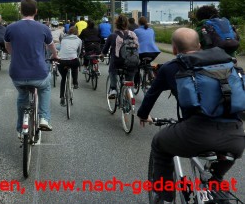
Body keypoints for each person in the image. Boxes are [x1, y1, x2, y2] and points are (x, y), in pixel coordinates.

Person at [137, 28, 244, 204]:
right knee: (216, 176)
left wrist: (143, 115)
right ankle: (215, 181)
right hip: (236, 138)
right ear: (200, 46)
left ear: (174, 49)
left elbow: (151, 95)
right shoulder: (227, 64)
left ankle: (164, 196)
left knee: (159, 143)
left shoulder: (172, 67)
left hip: (196, 133)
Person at [4, 0, 58, 138]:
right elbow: (51, 47)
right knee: (45, 88)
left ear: (20, 11)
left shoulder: (10, 28)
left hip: (17, 74)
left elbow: (8, 47)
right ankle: (44, 118)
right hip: (39, 74)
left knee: (22, 96)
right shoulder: (44, 28)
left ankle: (21, 129)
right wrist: (55, 55)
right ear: (36, 11)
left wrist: (15, 55)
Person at [100, 14, 139, 99]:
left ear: (116, 24)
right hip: (132, 61)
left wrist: (102, 55)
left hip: (118, 62)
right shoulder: (132, 34)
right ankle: (129, 95)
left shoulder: (112, 36)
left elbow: (105, 50)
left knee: (112, 69)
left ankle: (113, 89)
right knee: (129, 79)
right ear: (127, 24)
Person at [57, 26, 82, 106]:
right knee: (75, 65)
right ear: (76, 33)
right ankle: (75, 83)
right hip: (72, 60)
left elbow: (62, 49)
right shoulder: (79, 40)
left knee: (63, 78)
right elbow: (79, 52)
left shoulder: (63, 39)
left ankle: (61, 97)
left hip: (61, 61)